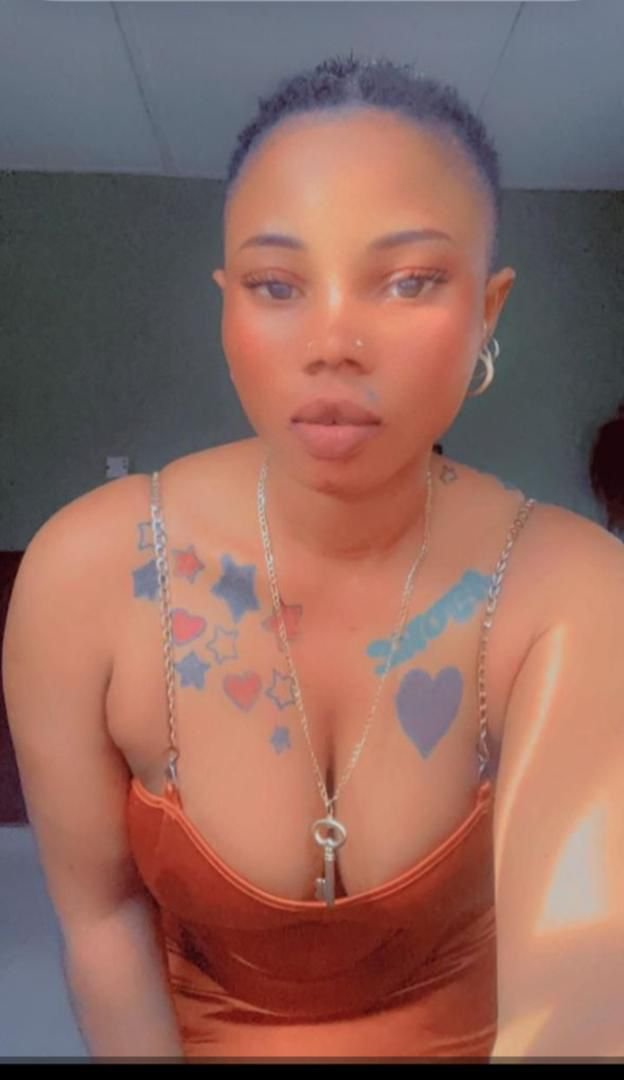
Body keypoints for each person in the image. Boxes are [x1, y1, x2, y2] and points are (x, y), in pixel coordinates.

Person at [3, 53, 623, 1062]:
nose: (333, 342)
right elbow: (102, 925)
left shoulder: (570, 588)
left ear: (488, 311)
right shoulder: (88, 578)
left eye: (410, 280)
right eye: (277, 284)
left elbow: (583, 990)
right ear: (227, 305)